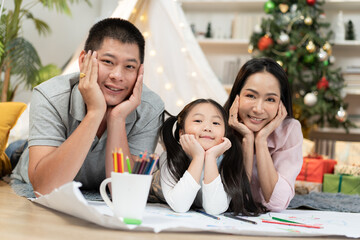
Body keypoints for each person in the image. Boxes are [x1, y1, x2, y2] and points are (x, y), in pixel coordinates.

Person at [11, 18, 164, 196]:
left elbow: (126, 194)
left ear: (140, 71)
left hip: (91, 178)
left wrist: (117, 119)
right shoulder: (50, 95)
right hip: (27, 160)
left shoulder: (150, 108)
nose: (117, 75)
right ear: (84, 60)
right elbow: (44, 188)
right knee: (13, 150)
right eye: (108, 61)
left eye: (129, 66)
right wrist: (95, 113)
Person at [158, 99, 265, 215]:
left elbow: (215, 209)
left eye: (216, 123)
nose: (207, 128)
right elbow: (180, 206)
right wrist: (198, 157)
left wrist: (210, 157)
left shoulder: (228, 160)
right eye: (198, 121)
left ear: (224, 133)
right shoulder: (170, 157)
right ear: (181, 133)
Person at [223, 57, 303, 212]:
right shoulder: (218, 126)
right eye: (251, 96)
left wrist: (261, 140)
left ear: (281, 103)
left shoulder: (289, 130)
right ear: (236, 96)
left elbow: (277, 203)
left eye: (270, 99)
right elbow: (235, 201)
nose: (258, 109)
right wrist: (247, 140)